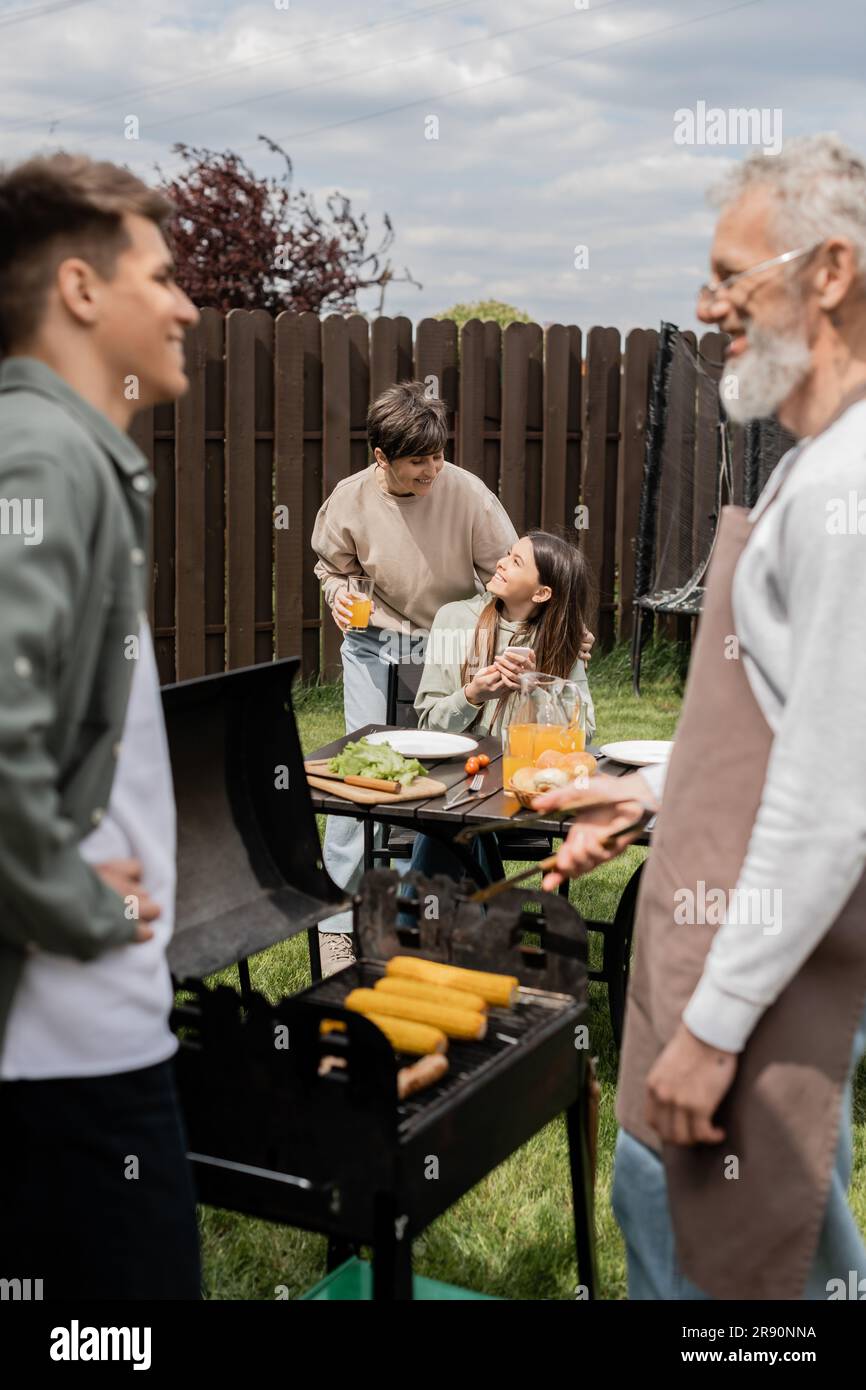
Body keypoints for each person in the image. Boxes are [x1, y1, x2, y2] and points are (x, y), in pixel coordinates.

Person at [537, 133, 866, 1301]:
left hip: (759, 968)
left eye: (731, 273)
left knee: (726, 1254)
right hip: (723, 933)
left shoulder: (846, 491)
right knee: (786, 1246)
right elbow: (791, 720)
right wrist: (648, 793)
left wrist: (713, 1031)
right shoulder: (809, 463)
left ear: (826, 270)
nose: (704, 301)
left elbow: (834, 802)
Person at [0, 153, 201, 1298]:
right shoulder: (42, 455)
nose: (183, 306)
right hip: (65, 1050)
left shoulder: (69, 456)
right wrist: (83, 906)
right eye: (162, 276)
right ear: (81, 288)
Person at [311, 380, 520, 974]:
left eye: (438, 455)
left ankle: (419, 913)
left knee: (454, 772)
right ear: (381, 457)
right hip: (374, 644)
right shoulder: (350, 500)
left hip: (450, 642)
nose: (433, 469)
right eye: (418, 461)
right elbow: (332, 565)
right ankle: (337, 927)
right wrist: (339, 595)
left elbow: (510, 573)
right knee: (362, 776)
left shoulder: (466, 493)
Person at [409, 530, 596, 881]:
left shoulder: (562, 639)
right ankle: (481, 922)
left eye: (516, 561)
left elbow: (583, 735)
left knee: (452, 825)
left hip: (523, 793)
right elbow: (429, 728)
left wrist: (537, 688)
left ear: (542, 593)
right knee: (454, 821)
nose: (501, 563)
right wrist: (472, 695)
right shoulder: (455, 620)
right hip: (460, 785)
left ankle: (416, 927)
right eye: (508, 554)